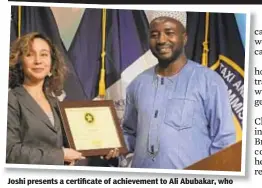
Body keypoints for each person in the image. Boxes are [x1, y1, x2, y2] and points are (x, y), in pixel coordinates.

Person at [121, 11, 236, 169]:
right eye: (155, 34)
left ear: (185, 38)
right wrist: (114, 146)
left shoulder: (209, 81)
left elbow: (224, 141)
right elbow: (129, 133)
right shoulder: (137, 84)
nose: (161, 40)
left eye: (169, 33)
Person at [7, 32, 119, 165]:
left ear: (52, 63)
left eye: (44, 54)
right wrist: (61, 155)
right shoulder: (11, 99)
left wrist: (104, 149)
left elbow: (77, 144)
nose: (38, 61)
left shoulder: (55, 103)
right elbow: (10, 151)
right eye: (29, 54)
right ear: (20, 62)